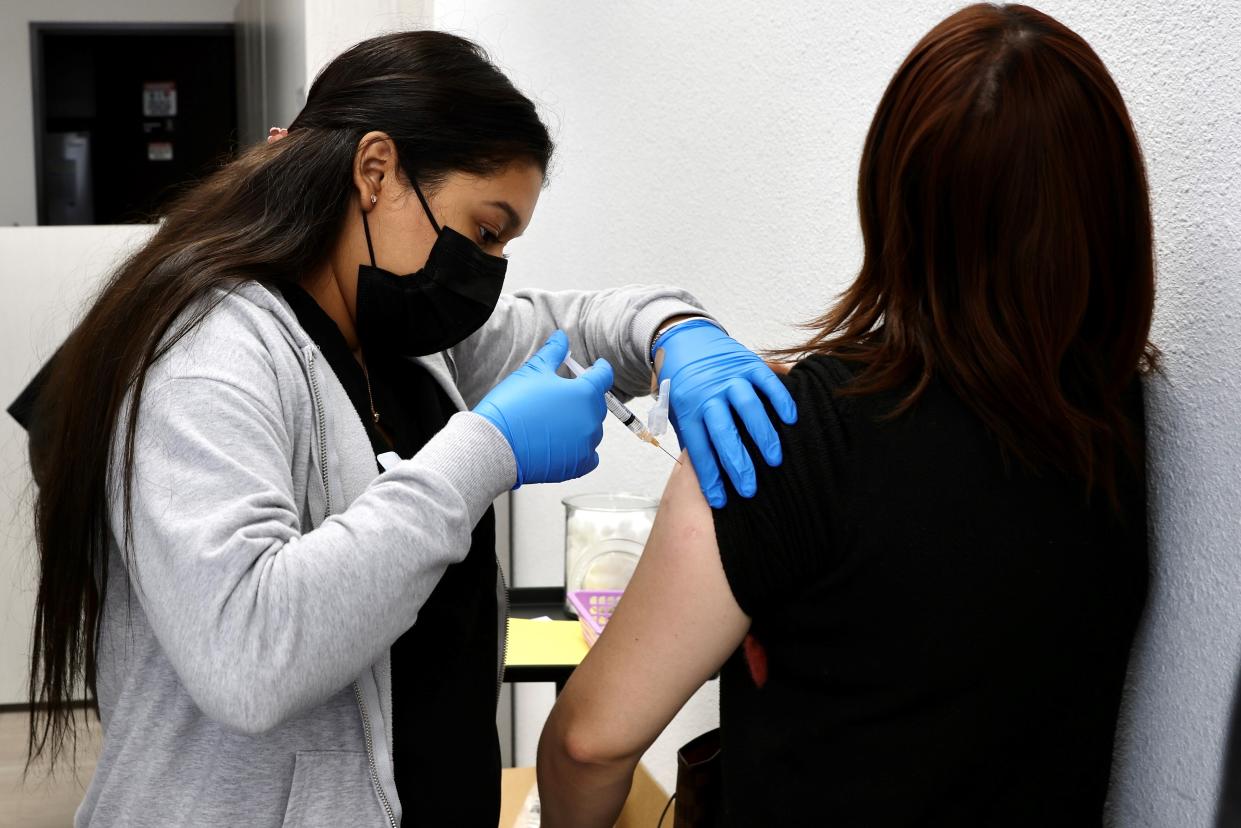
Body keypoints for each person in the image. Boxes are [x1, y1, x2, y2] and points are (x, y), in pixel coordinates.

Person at [18, 31, 798, 827]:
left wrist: (676, 333)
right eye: (484, 231)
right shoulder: (209, 354)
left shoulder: (400, 335)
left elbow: (586, 324)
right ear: (376, 170)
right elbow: (247, 655)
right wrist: (483, 453)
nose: (486, 270)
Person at [537, 4, 1155, 825]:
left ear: (888, 200)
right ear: (1110, 214)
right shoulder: (1116, 422)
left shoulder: (781, 436)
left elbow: (591, 742)